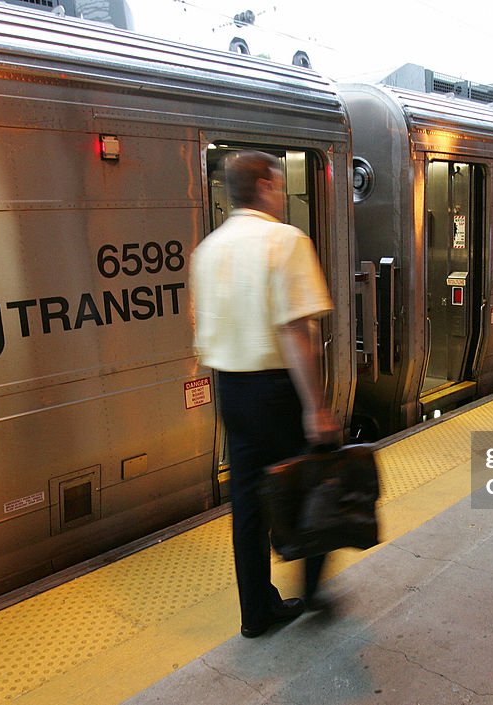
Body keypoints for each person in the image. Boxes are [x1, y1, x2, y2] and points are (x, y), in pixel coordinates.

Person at [190, 150, 341, 638]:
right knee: (313, 481)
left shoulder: (207, 250)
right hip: (277, 389)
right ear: (264, 186)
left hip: (231, 389)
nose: (281, 192)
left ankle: (255, 612)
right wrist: (316, 407)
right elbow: (297, 331)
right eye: (278, 184)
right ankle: (314, 589)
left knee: (249, 505)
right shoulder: (285, 241)